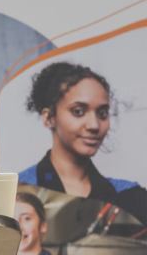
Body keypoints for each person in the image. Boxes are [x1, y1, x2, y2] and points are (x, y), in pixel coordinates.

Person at [18, 62, 146, 224]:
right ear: (49, 117)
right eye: (78, 111)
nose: (94, 125)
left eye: (102, 113)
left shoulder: (129, 196)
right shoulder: (15, 192)